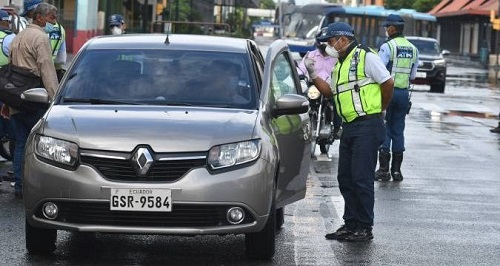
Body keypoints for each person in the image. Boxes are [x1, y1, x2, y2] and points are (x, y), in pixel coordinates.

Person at [304, 22, 394, 241]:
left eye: (330, 42)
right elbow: (330, 93)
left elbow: (387, 82)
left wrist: (380, 108)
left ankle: (364, 227)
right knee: (346, 178)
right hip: (350, 127)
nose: (328, 46)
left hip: (367, 125)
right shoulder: (340, 64)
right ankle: (350, 223)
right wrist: (313, 73)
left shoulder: (366, 56)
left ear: (342, 40)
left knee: (362, 179)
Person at [1, 3, 59, 198]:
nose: (54, 22)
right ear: (40, 18)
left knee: (20, 143)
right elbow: (46, 68)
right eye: (51, 18)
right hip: (34, 96)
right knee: (39, 144)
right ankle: (35, 187)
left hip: (15, 97)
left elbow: (10, 69)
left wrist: (7, 104)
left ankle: (19, 186)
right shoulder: (40, 37)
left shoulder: (18, 36)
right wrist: (55, 97)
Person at [375, 14, 418, 182]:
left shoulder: (388, 47)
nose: (386, 30)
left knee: (385, 127)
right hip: (403, 94)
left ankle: (383, 171)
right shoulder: (413, 49)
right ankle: (397, 172)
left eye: (387, 27)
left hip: (388, 92)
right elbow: (413, 76)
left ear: (392, 29)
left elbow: (378, 71)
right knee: (398, 130)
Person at [298, 31, 342, 138]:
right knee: (299, 103)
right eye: (321, 41)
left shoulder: (337, 57)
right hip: (312, 88)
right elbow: (301, 69)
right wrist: (299, 76)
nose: (324, 44)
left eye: (326, 41)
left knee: (338, 102)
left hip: (329, 88)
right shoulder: (310, 55)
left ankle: (337, 128)